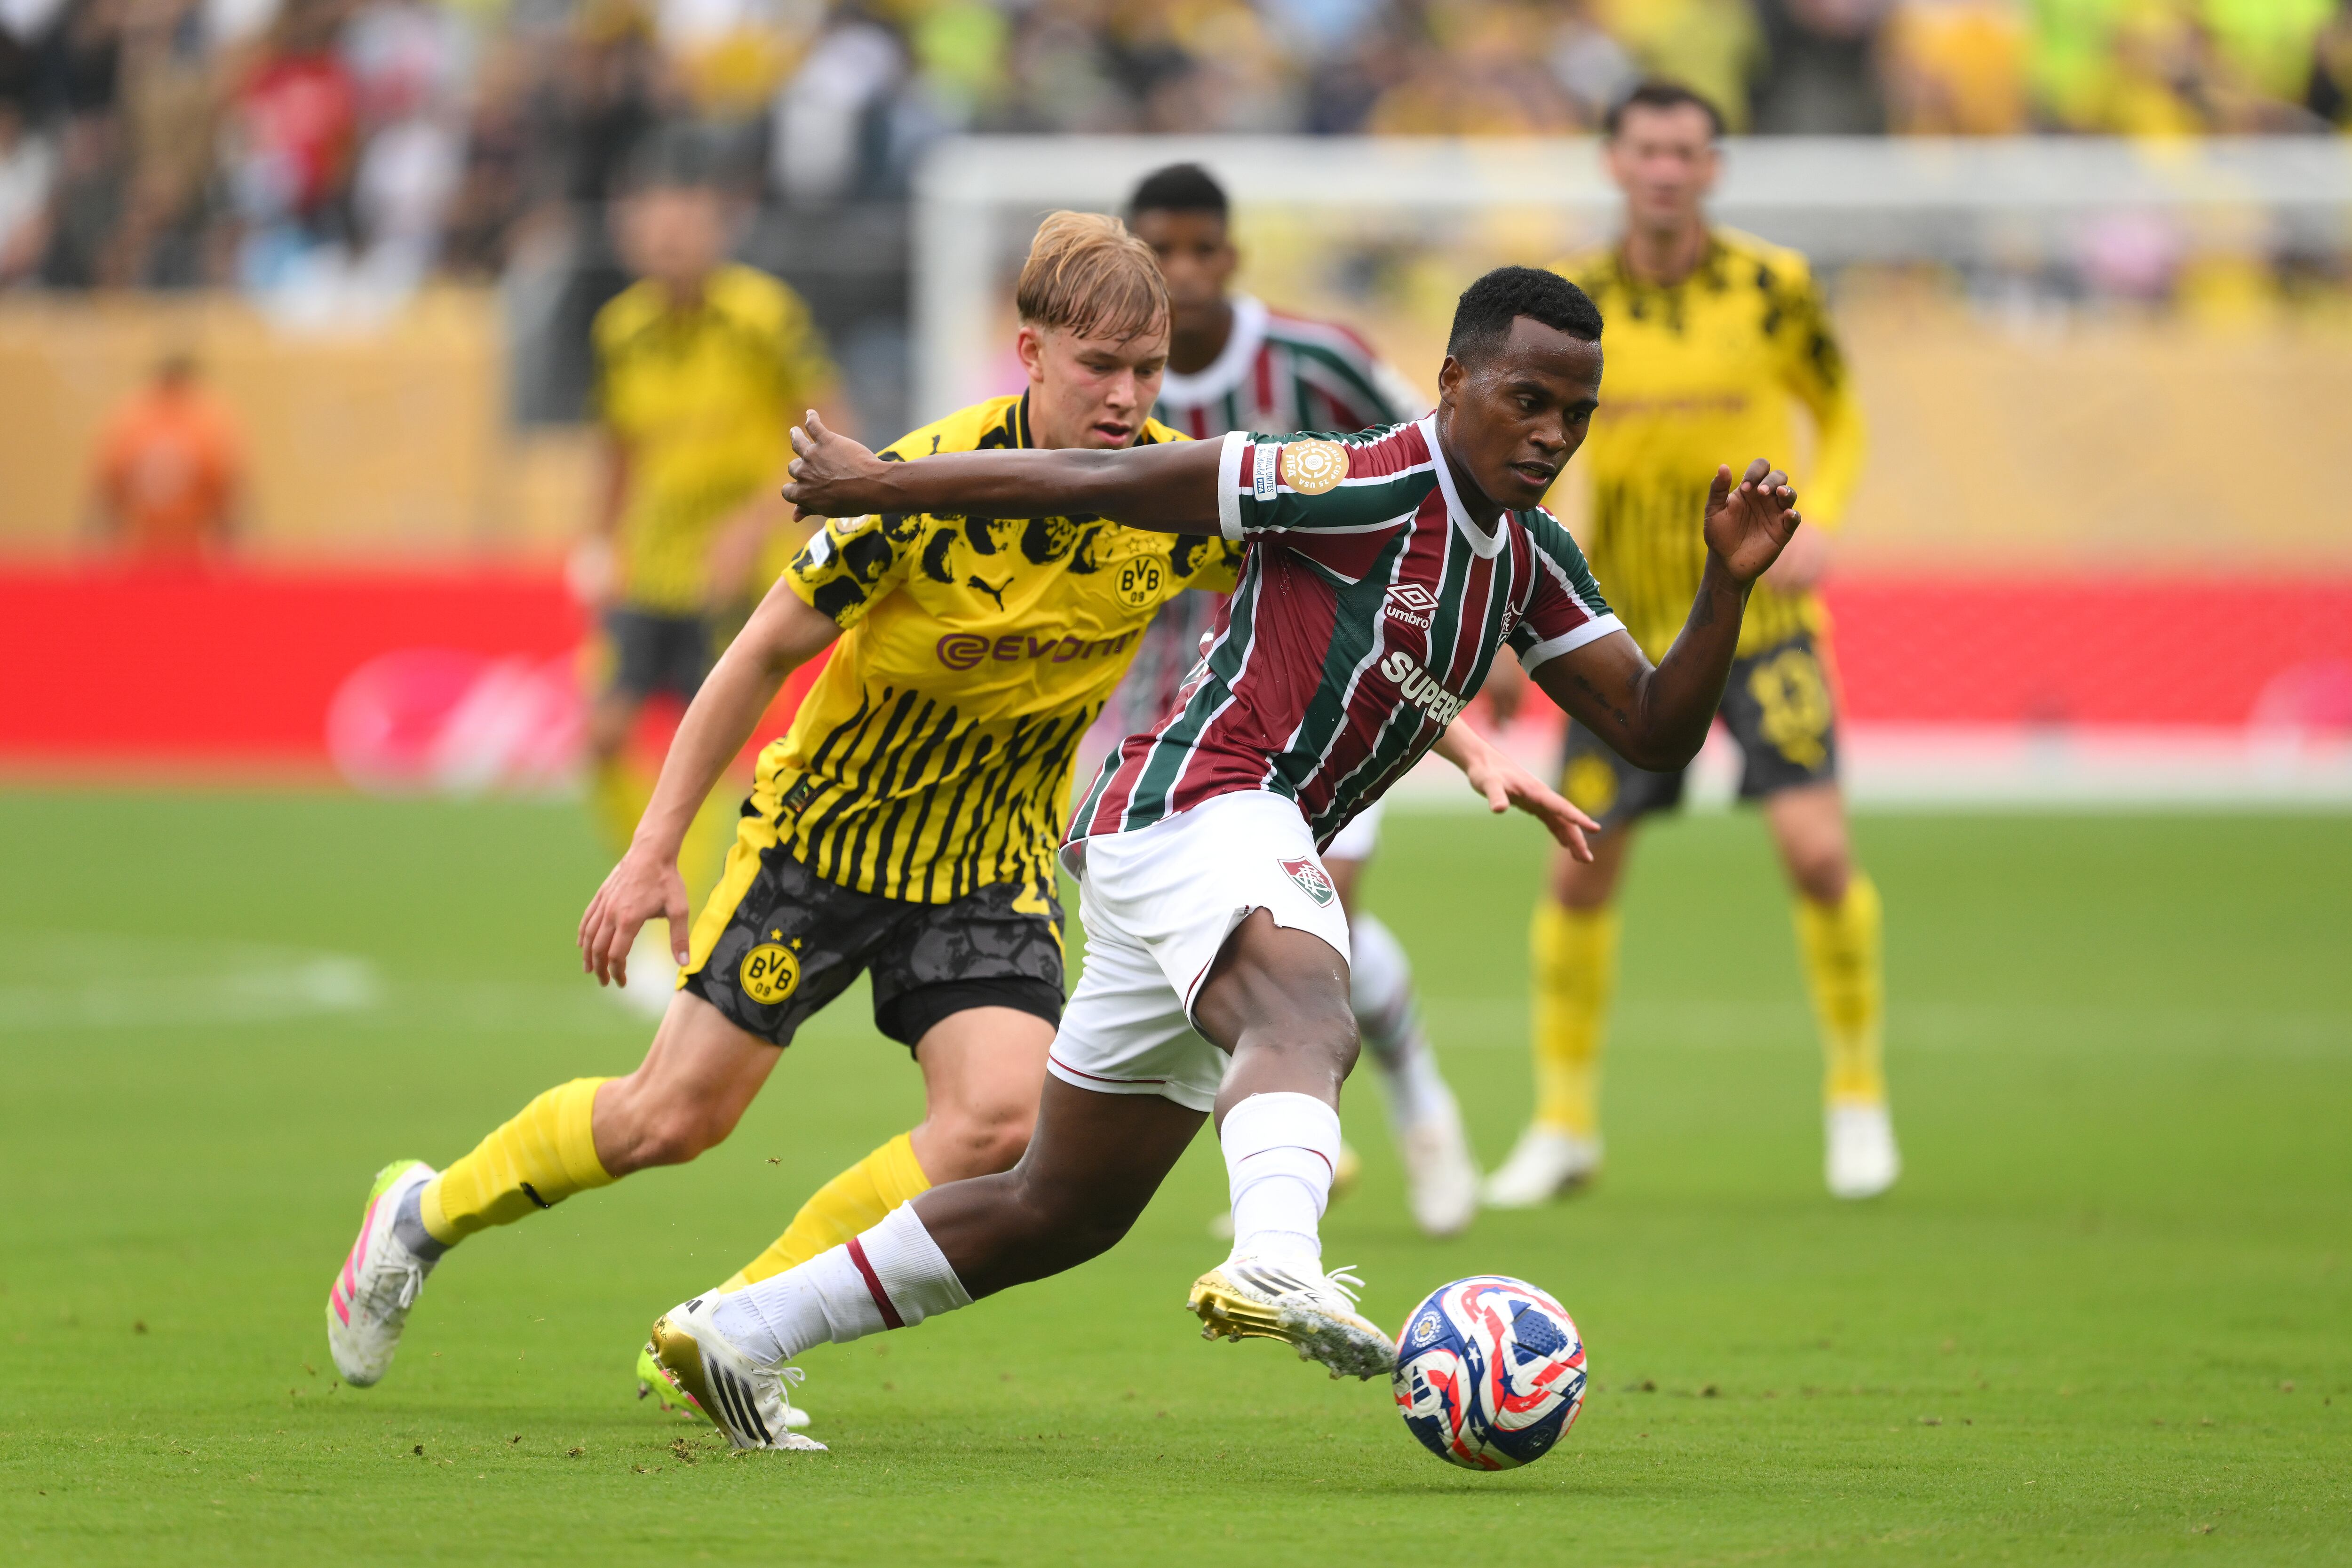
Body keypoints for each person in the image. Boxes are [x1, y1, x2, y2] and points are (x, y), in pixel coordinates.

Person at [321, 213, 1545, 1443]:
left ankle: (727, 1324)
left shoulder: (1173, 495)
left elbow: (1326, 626)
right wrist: (652, 848)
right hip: (828, 836)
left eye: (1146, 370)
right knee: (672, 1118)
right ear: (1030, 352)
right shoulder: (924, 484)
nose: (1127, 397)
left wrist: (1465, 733)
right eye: (1098, 368)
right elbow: (755, 656)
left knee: (997, 1122)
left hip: (990, 858)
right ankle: (423, 1212)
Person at [635, 263, 1804, 1451]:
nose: (1550, 433)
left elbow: (1655, 725)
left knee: (1061, 1207)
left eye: (1573, 414)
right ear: (1454, 380)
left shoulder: (1531, 559)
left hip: (1195, 842)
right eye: (1526, 399)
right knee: (1309, 1006)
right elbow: (1110, 477)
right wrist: (883, 485)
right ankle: (1278, 1261)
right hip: (1205, 800)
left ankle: (740, 1329)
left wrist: (1725, 583)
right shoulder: (1351, 478)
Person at [1481, 80, 1894, 1209]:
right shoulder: (1577, 307)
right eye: (1646, 150)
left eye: (1686, 152)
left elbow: (1842, 409)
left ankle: (1855, 1099)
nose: (1665, 170)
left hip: (1762, 624)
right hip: (1624, 633)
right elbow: (1524, 450)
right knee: (1579, 871)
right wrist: (1523, 619)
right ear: (1613, 162)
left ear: (1713, 168)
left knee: (1815, 854)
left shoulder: (1775, 289)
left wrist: (1831, 517)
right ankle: (1563, 1125)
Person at [1120, 160, 1477, 1238]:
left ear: (1231, 256)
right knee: (1223, 942)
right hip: (1157, 703)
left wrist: (1482, 618)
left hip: (1315, 689)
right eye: (1160, 253)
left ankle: (1363, 1131)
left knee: (1310, 926)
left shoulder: (1312, 361)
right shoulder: (1108, 379)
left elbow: (1443, 461)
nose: (1181, 273)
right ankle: (1361, 1106)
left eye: (1200, 251)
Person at [576, 127, 850, 1003]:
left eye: (685, 227)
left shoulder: (762, 317)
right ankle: (657, 886)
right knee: (606, 733)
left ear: (715, 230)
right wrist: (596, 539)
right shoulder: (622, 331)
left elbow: (827, 428)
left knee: (716, 745)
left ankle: (694, 915)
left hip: (741, 568)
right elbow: (617, 445)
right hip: (653, 565)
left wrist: (764, 516)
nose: (669, 244)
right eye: (654, 230)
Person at [85, 351, 246, 564]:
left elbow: (227, 496)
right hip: (147, 551)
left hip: (185, 552)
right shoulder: (207, 421)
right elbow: (108, 491)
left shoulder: (131, 419)